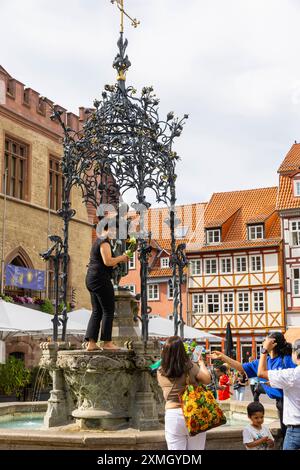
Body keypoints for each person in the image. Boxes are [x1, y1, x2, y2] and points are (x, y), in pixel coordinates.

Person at [209, 332, 295, 438]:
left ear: (272, 344)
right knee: (286, 435)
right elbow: (241, 367)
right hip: (281, 404)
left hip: (291, 401)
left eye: (265, 340)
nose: (263, 343)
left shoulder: (287, 359)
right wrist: (223, 357)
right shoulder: (264, 361)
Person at [157, 336, 211, 450]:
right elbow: (207, 380)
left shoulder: (160, 370)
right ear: (182, 350)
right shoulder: (190, 366)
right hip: (194, 413)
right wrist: (201, 364)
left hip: (173, 415)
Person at [85, 219, 129, 351]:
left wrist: (118, 261)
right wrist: (122, 257)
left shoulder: (98, 241)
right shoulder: (104, 241)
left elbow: (106, 263)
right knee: (108, 310)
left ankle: (92, 343)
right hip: (100, 279)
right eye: (115, 230)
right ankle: (107, 342)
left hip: (92, 278)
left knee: (97, 311)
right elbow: (108, 261)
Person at [258, 337, 300, 450]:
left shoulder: (292, 375)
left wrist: (264, 350)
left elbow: (261, 373)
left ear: (296, 354)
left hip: (296, 430)